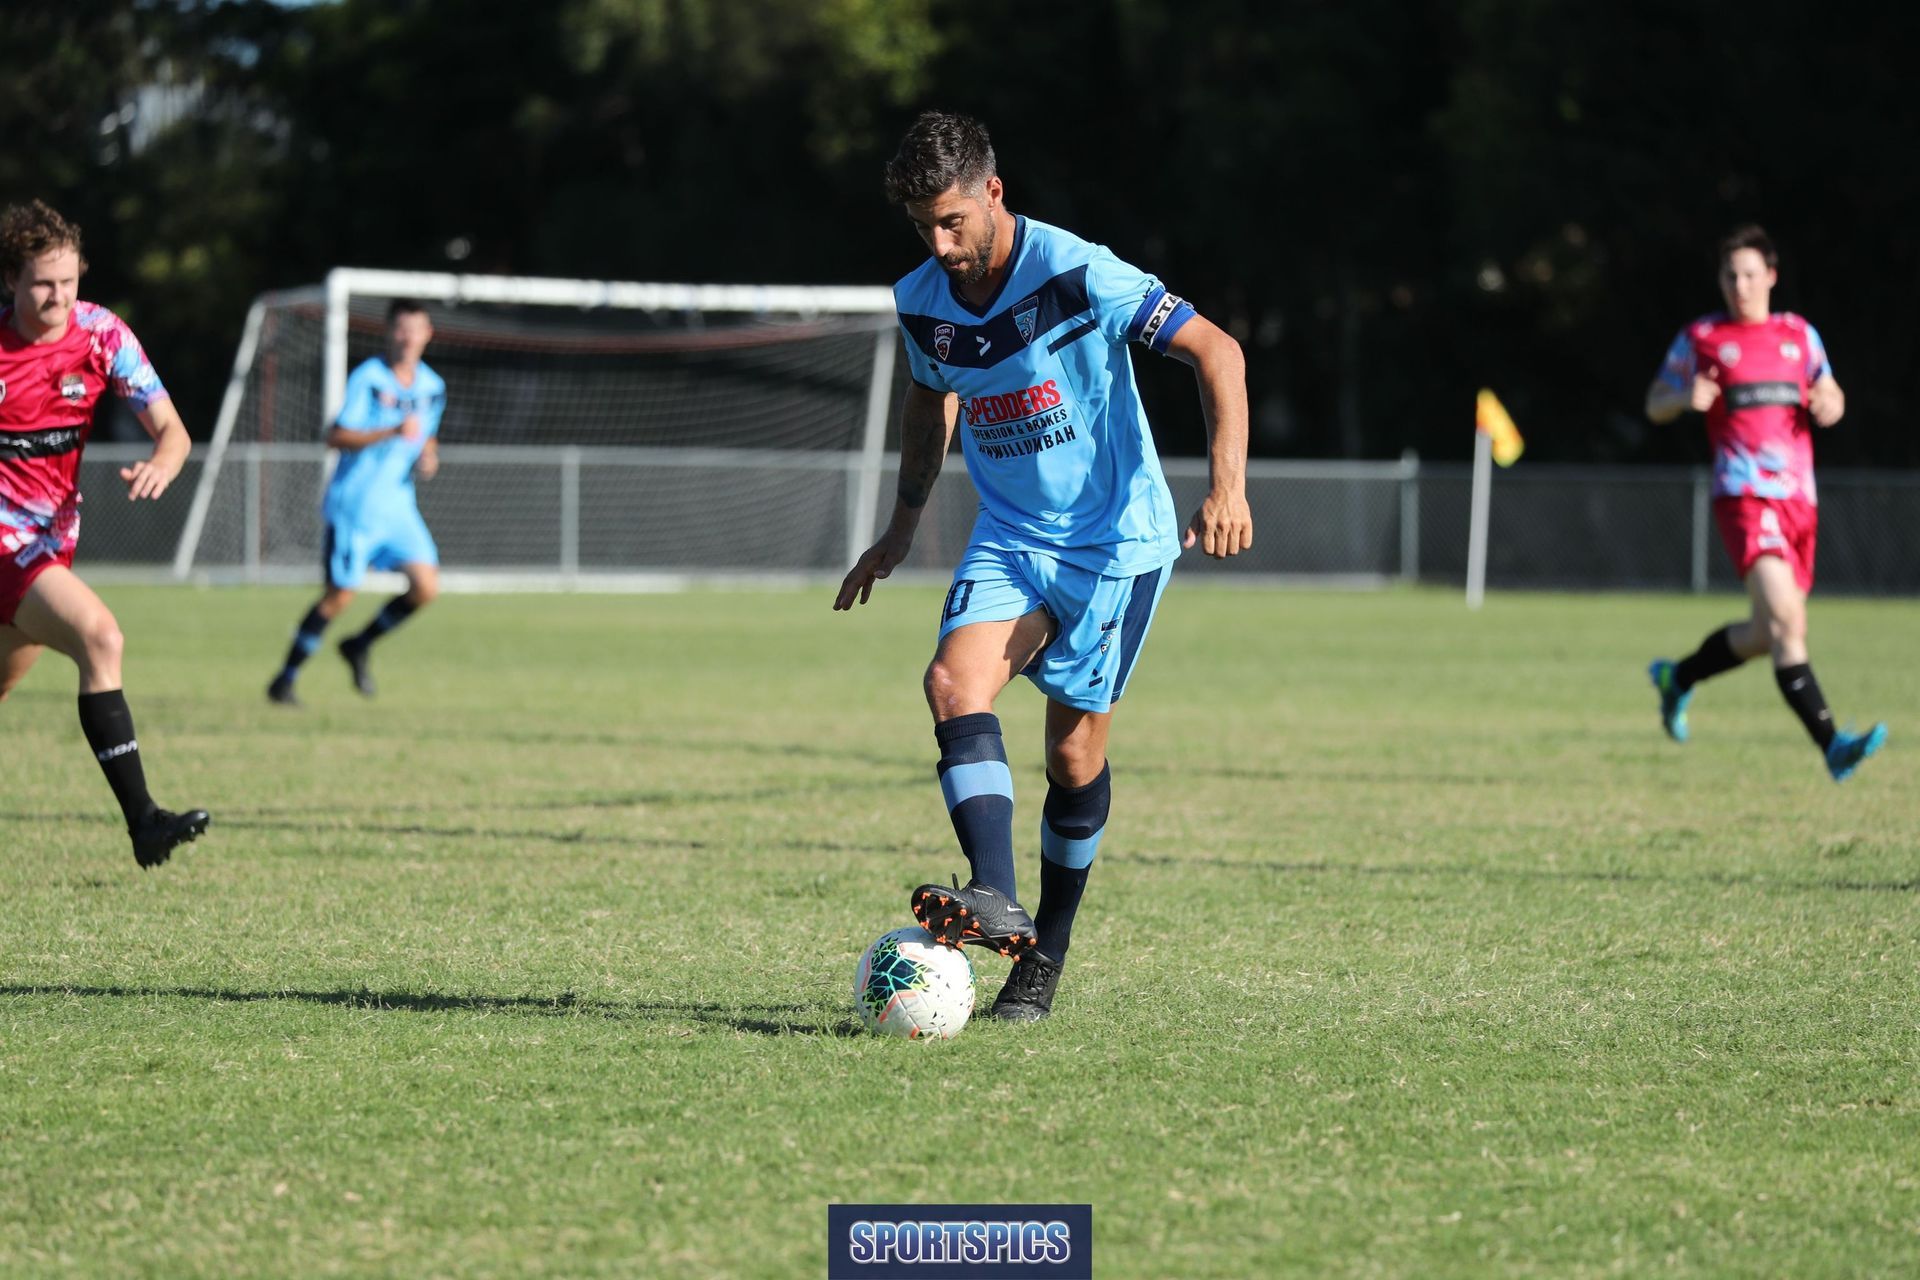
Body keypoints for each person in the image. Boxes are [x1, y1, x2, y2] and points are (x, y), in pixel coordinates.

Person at [835, 112, 1252, 1022]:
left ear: (993, 192)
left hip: (1115, 545)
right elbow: (928, 396)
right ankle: (994, 894)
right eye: (921, 228)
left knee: (1073, 754)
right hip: (1011, 535)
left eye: (951, 221)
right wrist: (901, 528)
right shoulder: (922, 300)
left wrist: (1227, 490)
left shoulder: (1076, 271)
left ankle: (1044, 958)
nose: (939, 244)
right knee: (952, 682)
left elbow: (1218, 350)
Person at [0, 199, 209, 867]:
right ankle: (144, 821)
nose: (57, 295)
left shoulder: (101, 336)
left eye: (68, 280)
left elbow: (173, 431)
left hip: (52, 538)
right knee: (101, 637)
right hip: (7, 544)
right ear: (11, 280)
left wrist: (163, 464)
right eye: (41, 282)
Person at [1645, 225, 1885, 780]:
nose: (1740, 285)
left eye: (1751, 274)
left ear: (1771, 276)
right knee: (1785, 619)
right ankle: (1833, 745)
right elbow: (1654, 401)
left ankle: (1676, 677)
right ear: (1720, 281)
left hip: (1800, 500)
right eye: (1730, 276)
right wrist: (1683, 398)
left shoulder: (1799, 335)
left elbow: (1831, 391)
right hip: (1744, 496)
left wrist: (1830, 400)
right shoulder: (1702, 336)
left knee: (1765, 633)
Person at [268, 299, 443, 704]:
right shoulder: (369, 378)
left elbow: (426, 435)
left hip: (399, 508)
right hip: (355, 507)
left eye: (416, 329)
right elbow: (336, 435)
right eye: (401, 328)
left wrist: (428, 455)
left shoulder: (433, 387)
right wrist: (390, 431)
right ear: (389, 332)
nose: (408, 337)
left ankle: (359, 644)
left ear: (428, 334)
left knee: (427, 587)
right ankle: (285, 678)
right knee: (340, 597)